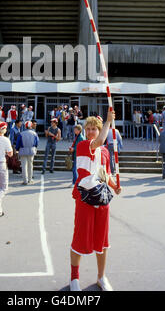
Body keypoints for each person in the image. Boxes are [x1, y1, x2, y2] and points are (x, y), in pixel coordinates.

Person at [69, 112, 121, 292]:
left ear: (100, 130)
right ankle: (74, 277)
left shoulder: (105, 151)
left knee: (102, 241)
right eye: (88, 129)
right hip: (84, 197)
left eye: (94, 129)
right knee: (80, 238)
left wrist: (114, 186)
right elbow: (98, 142)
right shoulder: (84, 145)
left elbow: (104, 174)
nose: (91, 131)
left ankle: (101, 277)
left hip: (102, 198)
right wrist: (108, 121)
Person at [16, 121, 39, 185]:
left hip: (23, 150)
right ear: (31, 126)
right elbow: (37, 143)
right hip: (31, 150)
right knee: (30, 165)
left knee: (24, 166)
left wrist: (17, 149)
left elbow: (18, 143)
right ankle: (30, 179)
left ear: (25, 126)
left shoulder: (21, 134)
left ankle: (25, 180)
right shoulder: (34, 133)